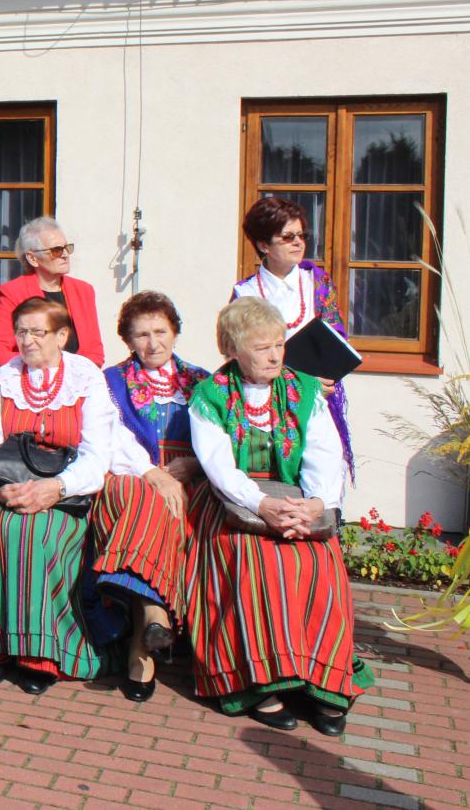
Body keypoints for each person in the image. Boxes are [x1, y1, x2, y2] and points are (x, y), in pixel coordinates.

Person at [186, 297, 372, 735]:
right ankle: (258, 682)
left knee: (319, 561)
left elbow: (324, 453)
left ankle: (322, 680)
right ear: (232, 350)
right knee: (256, 561)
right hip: (232, 502)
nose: (274, 355)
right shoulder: (210, 395)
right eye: (261, 348)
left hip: (297, 500)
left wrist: (316, 504)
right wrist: (261, 505)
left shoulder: (303, 390)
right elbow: (219, 468)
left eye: (279, 344)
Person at [0, 296, 112, 695]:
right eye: (21, 332)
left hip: (66, 495)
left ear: (62, 336)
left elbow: (97, 454)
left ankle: (39, 654)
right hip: (6, 488)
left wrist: (55, 488)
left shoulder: (86, 377)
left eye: (37, 332)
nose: (27, 341)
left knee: (35, 532)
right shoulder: (4, 377)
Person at [95, 291, 210, 702]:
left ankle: (143, 636)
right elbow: (109, 439)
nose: (153, 343)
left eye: (160, 332)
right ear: (128, 340)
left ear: (175, 333)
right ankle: (153, 617)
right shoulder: (110, 382)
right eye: (141, 334)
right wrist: (152, 474)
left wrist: (193, 464)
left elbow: (223, 440)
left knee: (182, 509)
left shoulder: (202, 382)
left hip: (189, 478)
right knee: (144, 501)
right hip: (131, 475)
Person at [231, 196, 355, 476]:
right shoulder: (245, 293)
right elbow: (238, 354)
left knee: (321, 476)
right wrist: (293, 385)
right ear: (264, 245)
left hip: (318, 399)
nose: (298, 242)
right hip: (263, 403)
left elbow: (335, 338)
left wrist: (321, 379)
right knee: (271, 479)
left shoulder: (318, 283)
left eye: (302, 235)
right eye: (288, 237)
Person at [0, 217, 104, 367]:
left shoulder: (83, 291)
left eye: (67, 248)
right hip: (31, 376)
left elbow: (96, 352)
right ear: (32, 258)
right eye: (56, 250)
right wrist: (41, 367)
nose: (65, 255)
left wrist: (70, 372)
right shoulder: (14, 292)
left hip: (77, 377)